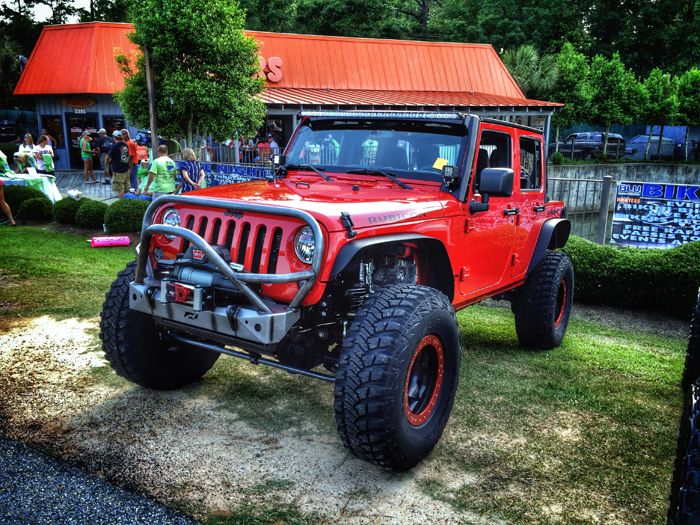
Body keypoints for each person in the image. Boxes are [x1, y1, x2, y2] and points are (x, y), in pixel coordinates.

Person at [105, 130, 131, 198]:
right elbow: (124, 158)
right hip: (125, 169)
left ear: (114, 137)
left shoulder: (115, 146)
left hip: (118, 170)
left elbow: (107, 157)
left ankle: (121, 204)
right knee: (126, 188)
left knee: (119, 188)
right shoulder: (125, 145)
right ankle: (127, 202)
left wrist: (108, 163)